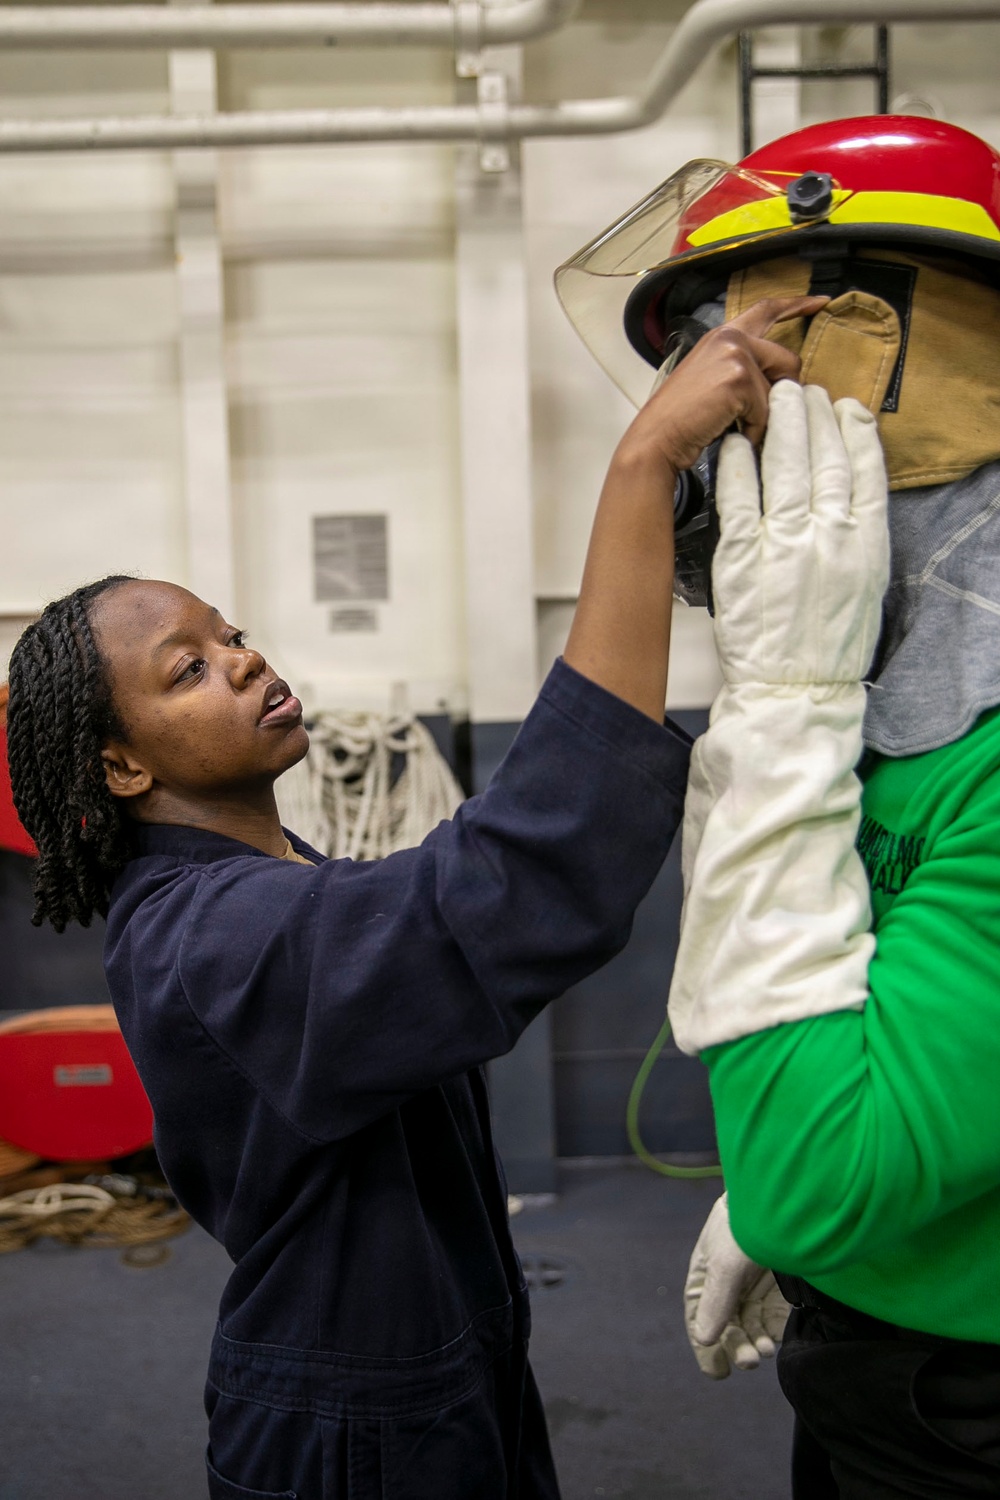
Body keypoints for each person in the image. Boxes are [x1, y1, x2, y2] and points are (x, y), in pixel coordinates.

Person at [4, 292, 825, 1500]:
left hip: (441, 1367)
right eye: (190, 670)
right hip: (350, 1425)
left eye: (230, 634)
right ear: (122, 767)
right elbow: (507, 886)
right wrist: (641, 467)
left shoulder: (276, 879)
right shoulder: (208, 938)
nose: (243, 658)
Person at [557, 115, 1000, 1495]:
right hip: (874, 1331)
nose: (702, 435)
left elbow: (828, 1174)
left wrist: (798, 1189)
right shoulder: (894, 702)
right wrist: (783, 1193)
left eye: (750, 363)